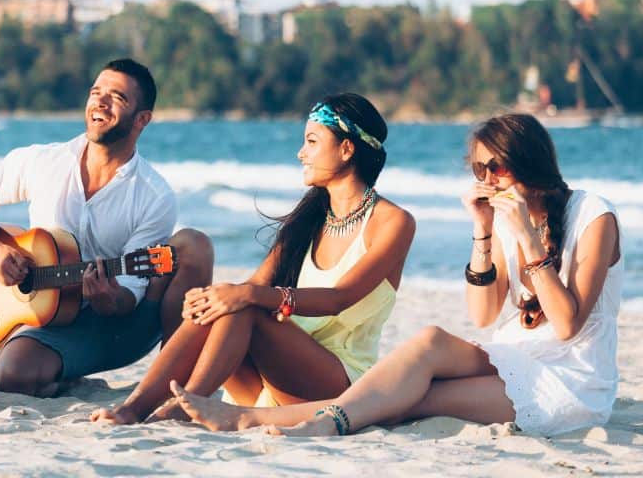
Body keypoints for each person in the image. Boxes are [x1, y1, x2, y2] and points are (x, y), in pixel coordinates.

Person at [169, 113, 623, 439]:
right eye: (478, 169)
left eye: (495, 168)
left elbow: (566, 326)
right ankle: (261, 416)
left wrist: (527, 237)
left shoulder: (592, 215)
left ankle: (255, 419)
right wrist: (483, 231)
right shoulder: (505, 222)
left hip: (570, 380)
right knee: (427, 343)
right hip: (517, 355)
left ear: (529, 165)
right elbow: (483, 315)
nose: (486, 179)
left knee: (411, 401)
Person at [91, 92, 415, 424]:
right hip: (270, 378)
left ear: (347, 149)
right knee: (227, 302)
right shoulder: (309, 219)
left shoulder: (393, 222)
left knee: (245, 303)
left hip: (338, 385)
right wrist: (209, 299)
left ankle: (186, 406)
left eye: (312, 141)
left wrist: (243, 295)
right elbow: (255, 285)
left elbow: (339, 298)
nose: (301, 153)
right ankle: (133, 408)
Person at [0, 58, 214, 398]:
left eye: (117, 97)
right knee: (13, 377)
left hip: (117, 326)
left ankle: (174, 382)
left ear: (142, 119)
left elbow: (132, 290)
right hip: (50, 316)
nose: (100, 102)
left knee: (193, 244)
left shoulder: (153, 195)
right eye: (96, 92)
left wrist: (110, 299)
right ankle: (72, 378)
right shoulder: (44, 161)